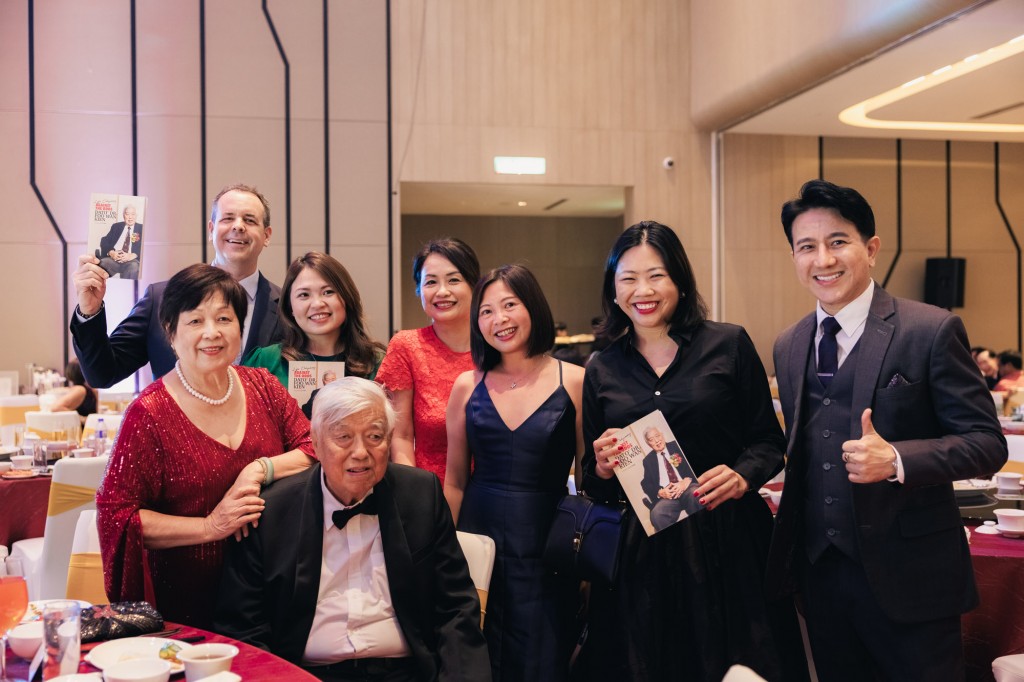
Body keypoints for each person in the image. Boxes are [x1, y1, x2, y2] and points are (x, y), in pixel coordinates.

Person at [767, 180, 1007, 681]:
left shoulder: (930, 330)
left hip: (912, 578)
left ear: (870, 249)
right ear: (793, 257)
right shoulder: (789, 345)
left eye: (838, 242)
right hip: (822, 576)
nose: (823, 259)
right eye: (806, 247)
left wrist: (897, 460)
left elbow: (986, 444)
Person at [582, 221, 805, 681]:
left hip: (730, 541)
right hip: (645, 553)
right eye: (628, 279)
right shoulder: (602, 367)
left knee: (741, 666)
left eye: (656, 275)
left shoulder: (728, 344)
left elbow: (769, 441)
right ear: (614, 289)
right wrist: (603, 468)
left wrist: (743, 475)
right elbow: (593, 482)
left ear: (680, 281)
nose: (642, 290)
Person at [214, 377, 490, 682]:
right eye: (343, 437)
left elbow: (456, 608)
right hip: (307, 674)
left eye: (374, 436)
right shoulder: (271, 513)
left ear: (389, 438)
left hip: (406, 672)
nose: (360, 452)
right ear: (316, 443)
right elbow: (243, 627)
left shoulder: (421, 495)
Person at [95, 264, 316, 628]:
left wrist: (260, 469)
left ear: (240, 328)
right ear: (170, 332)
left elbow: (313, 446)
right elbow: (119, 517)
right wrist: (211, 527)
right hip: (187, 607)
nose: (212, 333)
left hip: (271, 593)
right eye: (195, 321)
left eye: (224, 319)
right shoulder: (148, 413)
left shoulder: (263, 386)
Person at [445, 264, 584, 681]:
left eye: (510, 305)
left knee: (544, 655)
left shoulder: (575, 380)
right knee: (477, 653)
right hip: (478, 534)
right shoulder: (466, 386)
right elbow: (454, 479)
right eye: (486, 311)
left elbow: (590, 477)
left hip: (548, 543)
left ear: (533, 308)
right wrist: (446, 550)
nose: (499, 319)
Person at [71, 183, 283, 386]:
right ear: (211, 230)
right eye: (227, 218)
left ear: (266, 235)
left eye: (250, 220)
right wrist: (89, 312)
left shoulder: (287, 307)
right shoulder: (160, 298)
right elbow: (103, 374)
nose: (238, 226)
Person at [375, 238, 480, 484]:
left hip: (492, 494)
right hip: (429, 492)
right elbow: (400, 436)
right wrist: (413, 492)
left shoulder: (496, 347)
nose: (442, 291)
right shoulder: (407, 346)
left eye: (454, 280)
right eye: (431, 282)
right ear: (419, 290)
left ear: (475, 286)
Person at [244, 251, 385, 419]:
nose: (317, 304)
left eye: (328, 292)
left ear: (347, 298)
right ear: (290, 307)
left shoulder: (376, 362)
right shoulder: (263, 362)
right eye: (304, 295)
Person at [639, 426, 701, 532]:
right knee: (657, 514)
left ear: (662, 435)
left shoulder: (676, 445)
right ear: (649, 444)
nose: (657, 441)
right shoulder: (648, 460)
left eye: (657, 436)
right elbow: (646, 483)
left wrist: (687, 480)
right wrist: (660, 492)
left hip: (687, 487)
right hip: (668, 496)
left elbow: (697, 461)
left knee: (695, 493)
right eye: (651, 440)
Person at [96, 205, 143, 279]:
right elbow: (104, 240)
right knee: (103, 263)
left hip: (131, 261)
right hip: (114, 260)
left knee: (133, 267)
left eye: (133, 214)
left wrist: (133, 255)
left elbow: (144, 247)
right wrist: (111, 252)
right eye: (127, 214)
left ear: (136, 215)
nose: (130, 217)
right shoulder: (116, 226)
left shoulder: (141, 228)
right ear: (124, 215)